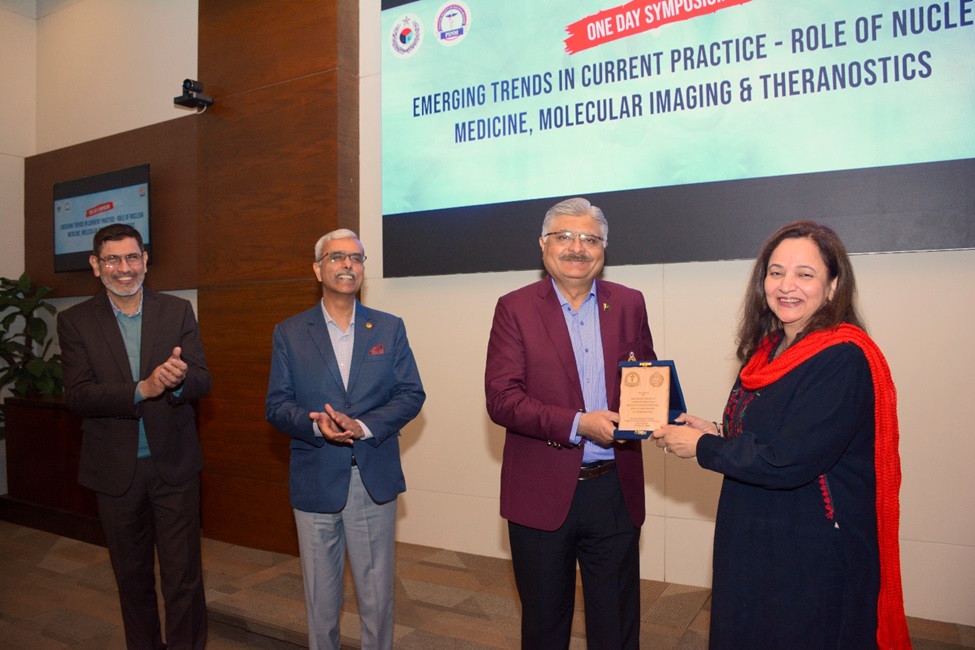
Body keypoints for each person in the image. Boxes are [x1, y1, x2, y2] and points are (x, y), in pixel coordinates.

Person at [651, 221, 911, 649]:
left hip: (808, 549)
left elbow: (788, 460)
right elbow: (768, 433)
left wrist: (704, 447)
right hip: (757, 532)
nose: (787, 285)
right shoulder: (768, 350)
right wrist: (715, 431)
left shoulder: (842, 359)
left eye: (805, 274)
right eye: (776, 272)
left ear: (833, 286)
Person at [484, 197, 656, 649]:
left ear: (604, 248)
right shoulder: (515, 308)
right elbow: (502, 400)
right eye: (564, 236)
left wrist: (664, 415)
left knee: (617, 626)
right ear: (543, 244)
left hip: (614, 489)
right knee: (545, 627)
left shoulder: (630, 303)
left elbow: (645, 379)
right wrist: (579, 423)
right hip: (540, 490)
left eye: (590, 239)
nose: (577, 247)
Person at [265, 229, 425, 650]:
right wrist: (316, 424)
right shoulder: (289, 332)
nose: (348, 265)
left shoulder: (389, 328)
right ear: (318, 269)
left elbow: (411, 394)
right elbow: (277, 405)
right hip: (315, 477)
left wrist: (363, 426)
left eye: (356, 258)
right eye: (336, 257)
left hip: (371, 478)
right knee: (320, 599)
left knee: (376, 598)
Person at [57, 224, 210, 650]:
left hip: (174, 467)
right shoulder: (74, 321)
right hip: (115, 473)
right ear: (95, 265)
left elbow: (202, 379)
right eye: (112, 259)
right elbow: (78, 395)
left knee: (184, 577)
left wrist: (179, 380)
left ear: (145, 260)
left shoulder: (177, 311)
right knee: (132, 578)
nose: (123, 268)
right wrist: (143, 388)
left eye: (131, 257)